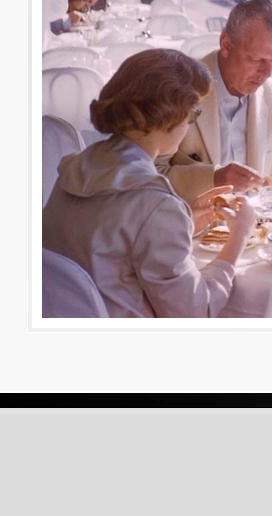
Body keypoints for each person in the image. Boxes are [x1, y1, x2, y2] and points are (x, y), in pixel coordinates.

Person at [43, 49, 258, 317]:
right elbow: (196, 312)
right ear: (169, 116)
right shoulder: (156, 205)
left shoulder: (72, 169)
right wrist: (238, 236)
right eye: (193, 114)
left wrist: (186, 218)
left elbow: (111, 244)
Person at [157, 0, 272, 203]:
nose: (267, 73)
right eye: (257, 59)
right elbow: (148, 178)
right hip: (188, 226)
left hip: (254, 228)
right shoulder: (178, 89)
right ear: (227, 44)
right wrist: (213, 178)